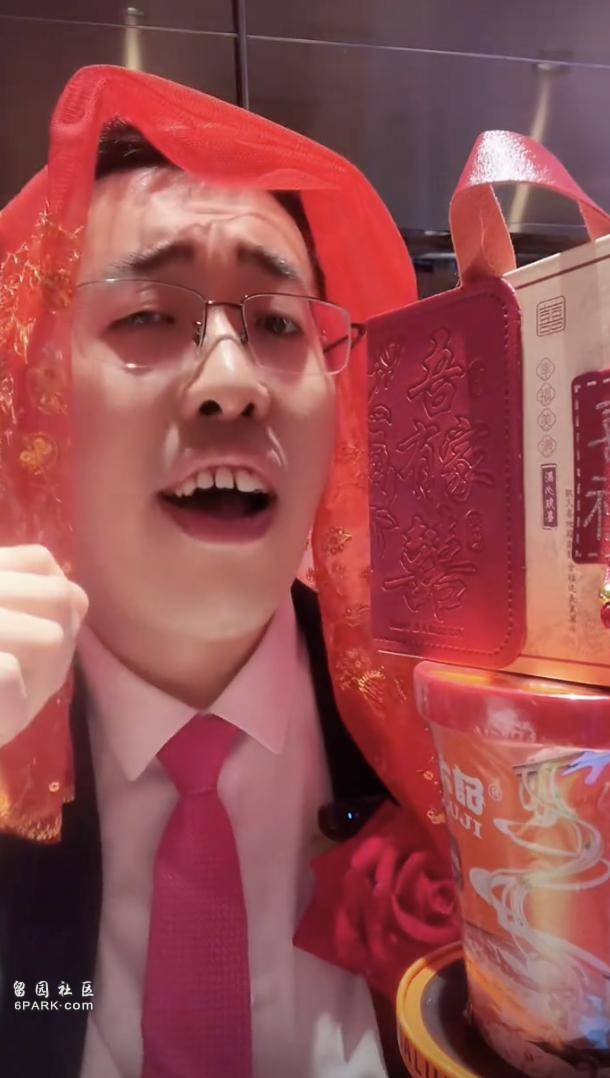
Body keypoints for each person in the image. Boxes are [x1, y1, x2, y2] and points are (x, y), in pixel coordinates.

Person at [0, 66, 444, 1077]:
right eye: (147, 315)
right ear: (32, 392)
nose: (232, 382)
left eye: (280, 323)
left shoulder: (443, 738)